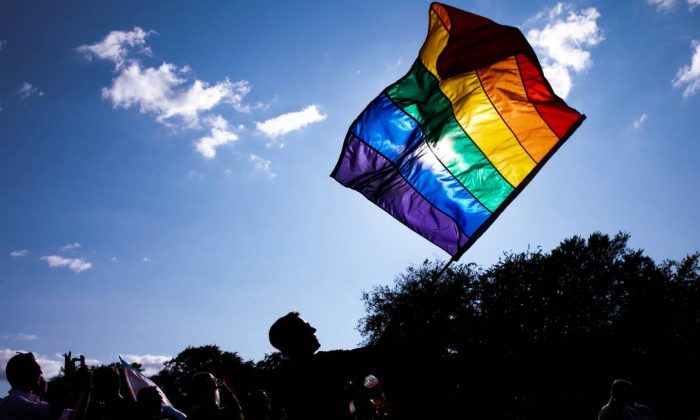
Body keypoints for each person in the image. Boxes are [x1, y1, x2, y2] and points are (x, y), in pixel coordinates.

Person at [268, 311, 384, 420]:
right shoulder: (325, 362)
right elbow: (375, 353)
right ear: (295, 337)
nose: (313, 330)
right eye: (306, 327)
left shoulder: (281, 380)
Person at [0, 351, 90, 420]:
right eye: (36, 369)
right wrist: (68, 379)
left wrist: (87, 387)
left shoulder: (28, 402)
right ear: (24, 373)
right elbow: (56, 411)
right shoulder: (14, 403)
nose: (41, 372)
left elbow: (74, 416)